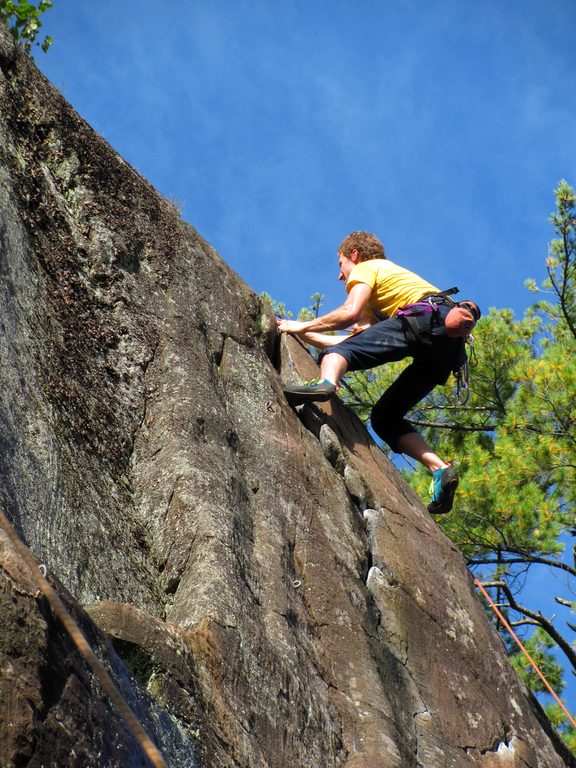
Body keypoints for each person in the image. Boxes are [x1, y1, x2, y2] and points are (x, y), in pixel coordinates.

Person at [277, 231, 480, 515]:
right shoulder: (387, 289)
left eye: (340, 265)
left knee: (335, 359)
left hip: (422, 320)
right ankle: (440, 470)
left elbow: (349, 312)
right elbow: (352, 343)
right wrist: (301, 332)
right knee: (385, 419)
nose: (340, 276)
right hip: (446, 349)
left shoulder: (367, 268)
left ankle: (326, 383)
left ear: (355, 255)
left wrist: (301, 325)